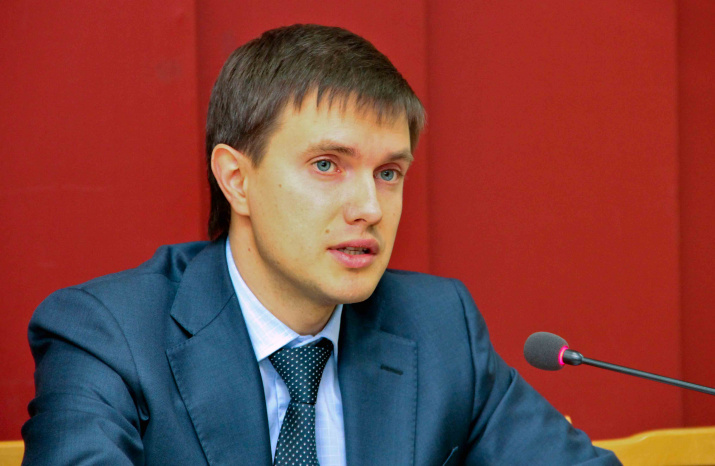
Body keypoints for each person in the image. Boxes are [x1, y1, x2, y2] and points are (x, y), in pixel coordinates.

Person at [22, 24, 619, 465]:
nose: (369, 208)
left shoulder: (440, 329)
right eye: (328, 165)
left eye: (389, 173)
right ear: (237, 180)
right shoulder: (110, 337)